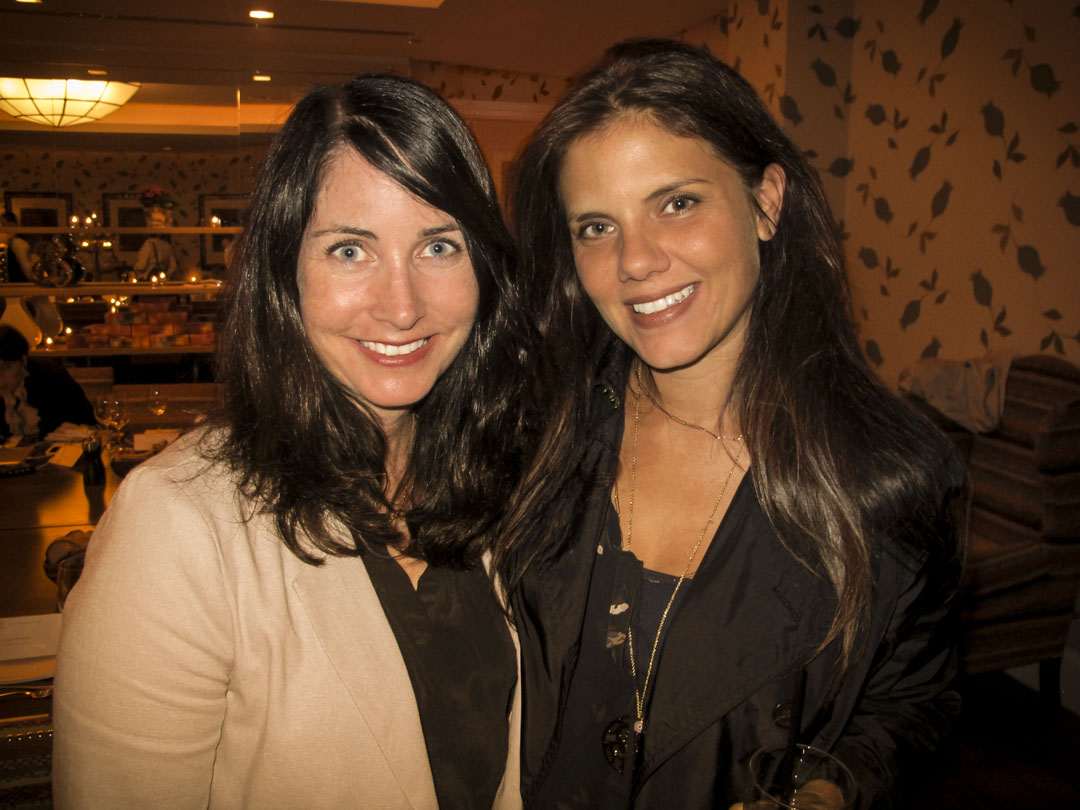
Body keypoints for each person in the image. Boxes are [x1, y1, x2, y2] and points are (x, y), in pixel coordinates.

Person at [501, 39, 966, 810]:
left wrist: (829, 791)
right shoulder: (531, 438)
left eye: (676, 203)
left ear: (766, 202)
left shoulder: (891, 478)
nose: (635, 261)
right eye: (596, 227)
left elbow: (909, 701)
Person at [54, 74, 528, 810]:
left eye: (438, 245)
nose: (402, 306)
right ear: (285, 272)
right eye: (350, 250)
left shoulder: (509, 481)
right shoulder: (176, 525)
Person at [0, 323, 94, 439]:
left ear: (23, 361)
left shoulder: (51, 379)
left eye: (7, 367)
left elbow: (85, 422)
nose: (0, 378)